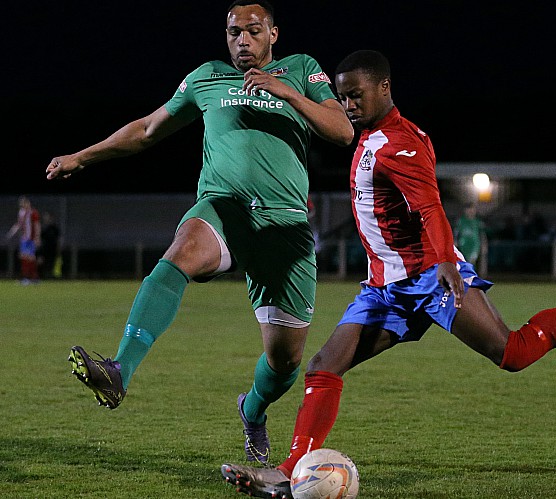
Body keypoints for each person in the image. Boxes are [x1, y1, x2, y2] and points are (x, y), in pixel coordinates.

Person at [220, 50, 556, 498]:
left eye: (357, 95)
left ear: (385, 88)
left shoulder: (402, 143)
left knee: (513, 353)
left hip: (428, 277)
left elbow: (429, 207)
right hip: (385, 288)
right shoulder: (368, 135)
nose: (349, 106)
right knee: (323, 366)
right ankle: (285, 472)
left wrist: (443, 260)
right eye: (343, 98)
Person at [45, 0, 353, 465]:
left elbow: (342, 130)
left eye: (252, 31)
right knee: (182, 250)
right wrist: (82, 157)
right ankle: (119, 369)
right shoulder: (207, 77)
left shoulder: (301, 69)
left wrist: (286, 93)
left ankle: (252, 410)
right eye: (233, 32)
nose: (241, 40)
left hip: (285, 226)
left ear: (273, 33)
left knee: (286, 362)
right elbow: (147, 128)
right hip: (224, 207)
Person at [5, 195, 41, 284]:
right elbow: (19, 224)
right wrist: (11, 232)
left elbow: (37, 225)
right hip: (24, 238)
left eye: (23, 203)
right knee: (24, 256)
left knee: (31, 257)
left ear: (27, 203)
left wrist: (37, 237)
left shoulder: (33, 212)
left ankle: (34, 278)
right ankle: (26, 278)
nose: (22, 205)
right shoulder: (21, 212)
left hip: (31, 239)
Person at [37, 211, 61, 279]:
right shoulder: (43, 228)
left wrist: (58, 248)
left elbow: (58, 239)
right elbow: (39, 239)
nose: (46, 219)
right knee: (41, 262)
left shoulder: (55, 228)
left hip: (53, 248)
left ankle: (51, 277)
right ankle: (41, 276)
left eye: (47, 217)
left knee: (52, 263)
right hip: (44, 249)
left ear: (51, 218)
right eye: (45, 217)